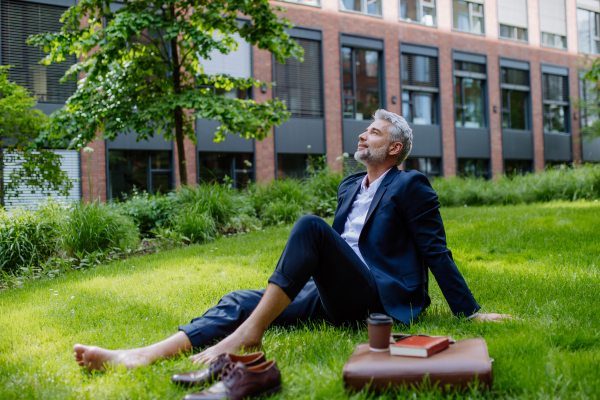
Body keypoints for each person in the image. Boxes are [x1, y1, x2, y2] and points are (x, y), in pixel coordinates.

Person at [74, 109, 509, 371]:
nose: (362, 135)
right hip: (337, 291)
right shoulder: (349, 187)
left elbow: (435, 249)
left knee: (309, 226)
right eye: (365, 130)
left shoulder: (411, 185)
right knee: (239, 300)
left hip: (379, 295)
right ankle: (140, 355)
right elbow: (337, 251)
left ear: (395, 148)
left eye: (374, 132)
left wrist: (469, 314)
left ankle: (248, 337)